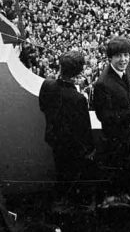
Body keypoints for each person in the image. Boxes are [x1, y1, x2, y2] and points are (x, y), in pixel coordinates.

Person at [91, 36, 130, 199]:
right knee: (117, 173)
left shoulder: (124, 71)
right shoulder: (102, 84)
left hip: (126, 134)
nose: (124, 59)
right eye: (119, 56)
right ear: (110, 58)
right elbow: (104, 116)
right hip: (114, 139)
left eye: (126, 55)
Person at [38, 50, 95, 202]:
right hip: (73, 147)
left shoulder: (47, 85)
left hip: (54, 138)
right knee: (73, 175)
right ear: (79, 72)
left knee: (61, 171)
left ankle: (63, 199)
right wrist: (90, 149)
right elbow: (84, 129)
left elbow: (43, 107)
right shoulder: (78, 99)